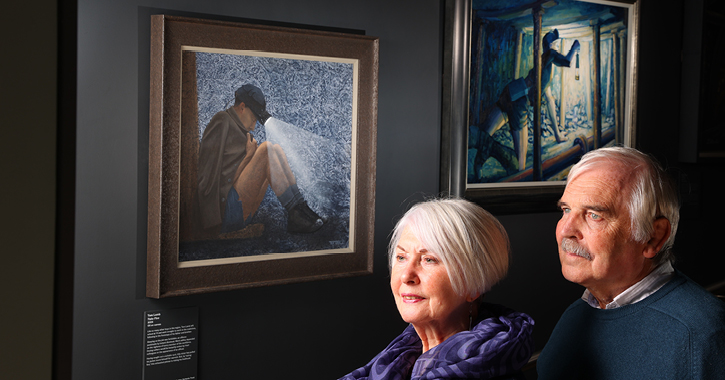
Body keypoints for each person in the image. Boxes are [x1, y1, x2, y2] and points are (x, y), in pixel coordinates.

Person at [537, 146, 725, 379]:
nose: (565, 230)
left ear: (652, 237)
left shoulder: (703, 337)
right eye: (566, 210)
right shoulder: (577, 314)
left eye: (594, 215)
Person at [340, 198, 534, 380]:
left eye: (429, 260)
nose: (406, 276)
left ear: (473, 283)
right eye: (401, 257)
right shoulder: (402, 353)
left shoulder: (489, 367)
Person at [197, 84, 323, 235]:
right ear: (242, 107)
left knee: (275, 149)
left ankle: (302, 209)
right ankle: (294, 214)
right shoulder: (222, 120)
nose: (253, 126)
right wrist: (250, 157)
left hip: (240, 210)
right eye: (253, 119)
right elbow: (211, 177)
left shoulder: (241, 130)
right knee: (266, 149)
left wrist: (250, 158)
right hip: (223, 211)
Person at [470, 29, 580, 177]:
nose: (558, 48)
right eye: (557, 44)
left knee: (484, 135)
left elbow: (550, 101)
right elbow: (567, 61)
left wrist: (558, 135)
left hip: (511, 91)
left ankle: (479, 165)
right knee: (520, 168)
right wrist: (574, 47)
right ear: (552, 45)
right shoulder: (551, 54)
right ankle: (492, 149)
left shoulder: (544, 68)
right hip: (520, 101)